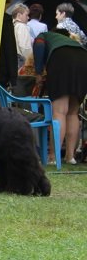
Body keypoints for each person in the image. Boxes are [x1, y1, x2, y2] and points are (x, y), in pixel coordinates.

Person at [32, 30, 87, 165]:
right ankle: (70, 157)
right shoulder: (72, 42)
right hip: (83, 59)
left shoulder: (43, 35)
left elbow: (39, 46)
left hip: (61, 60)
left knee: (59, 111)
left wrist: (38, 73)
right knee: (73, 112)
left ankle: (53, 157)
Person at [11, 3, 33, 70]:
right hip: (22, 65)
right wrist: (31, 64)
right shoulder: (22, 26)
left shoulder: (11, 26)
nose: (28, 18)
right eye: (26, 15)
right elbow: (25, 48)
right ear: (19, 15)